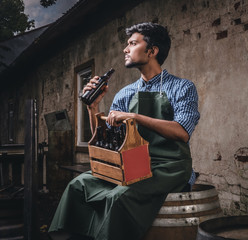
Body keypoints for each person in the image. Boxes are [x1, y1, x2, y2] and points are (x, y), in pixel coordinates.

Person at [49, 22, 200, 240]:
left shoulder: (182, 87)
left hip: (169, 167)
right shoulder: (125, 93)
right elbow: (105, 138)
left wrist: (134, 116)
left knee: (120, 196)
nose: (125, 49)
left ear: (152, 51)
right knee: (78, 185)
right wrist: (94, 108)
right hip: (130, 165)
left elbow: (182, 132)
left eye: (132, 43)